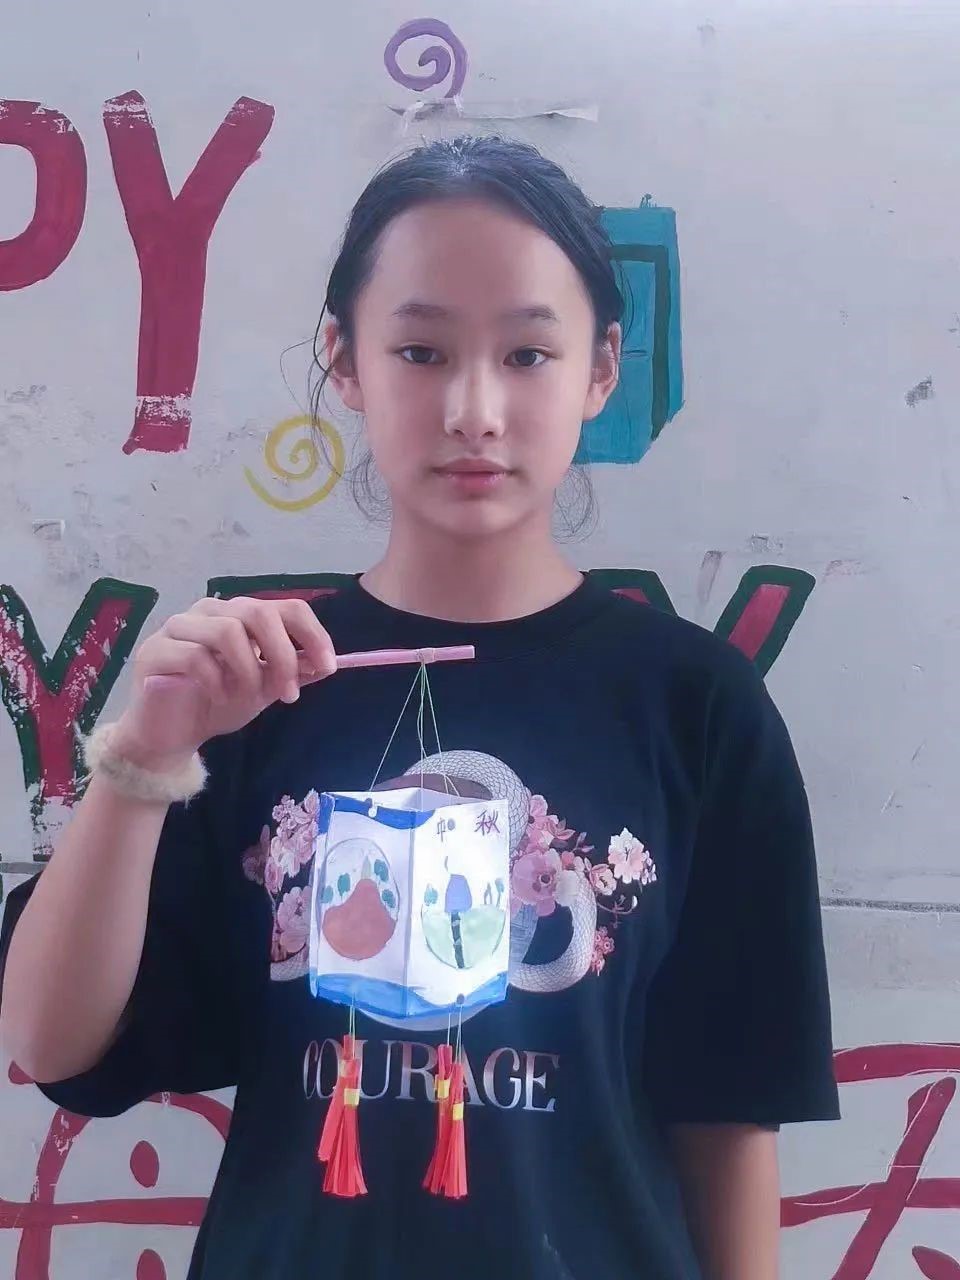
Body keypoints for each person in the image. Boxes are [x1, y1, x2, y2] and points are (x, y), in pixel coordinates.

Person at [0, 135, 839, 1279]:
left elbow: (729, 1117)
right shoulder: (256, 684)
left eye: (528, 353)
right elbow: (53, 1043)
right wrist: (144, 758)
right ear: (344, 361)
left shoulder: (694, 705)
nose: (474, 409)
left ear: (601, 369)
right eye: (421, 350)